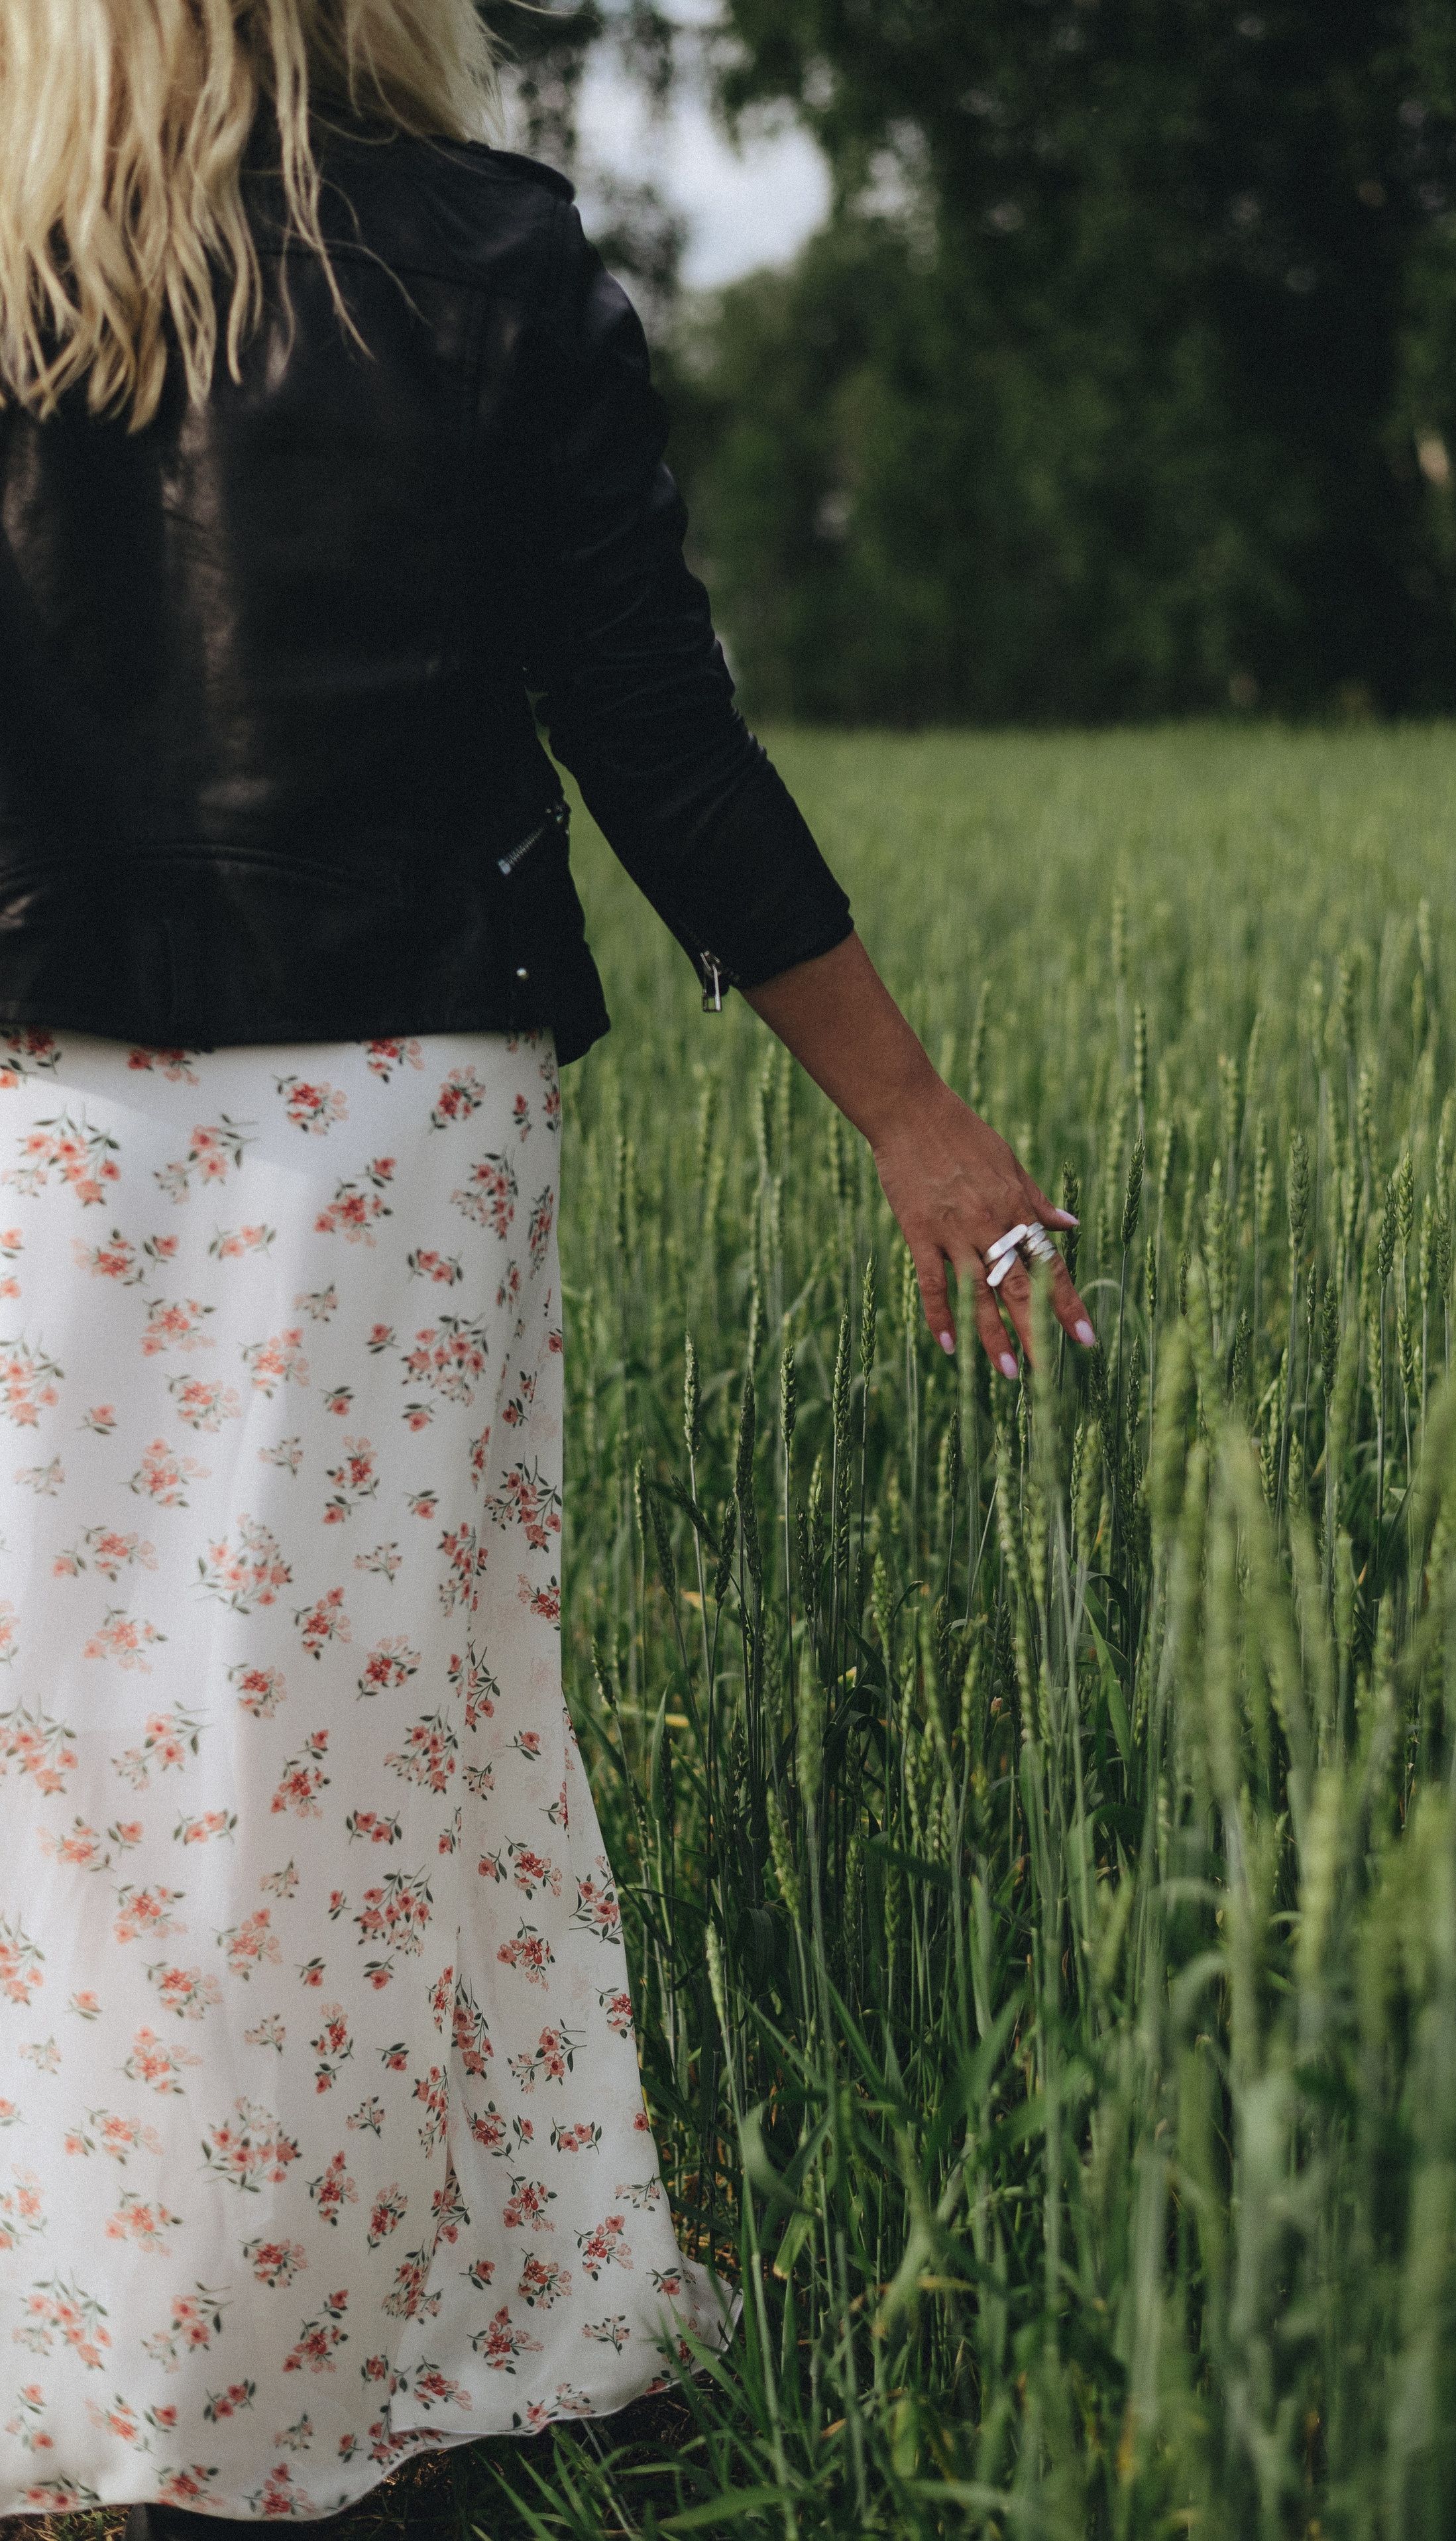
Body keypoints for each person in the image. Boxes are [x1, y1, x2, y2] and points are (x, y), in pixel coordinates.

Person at [0, 1, 1093, 2525]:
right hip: (390, 1124)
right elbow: (656, 733)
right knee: (385, 1748)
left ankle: (101, 2365)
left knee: (69, 1764)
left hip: (43, 1126)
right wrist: (920, 1127)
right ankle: (415, 2367)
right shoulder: (486, 263)